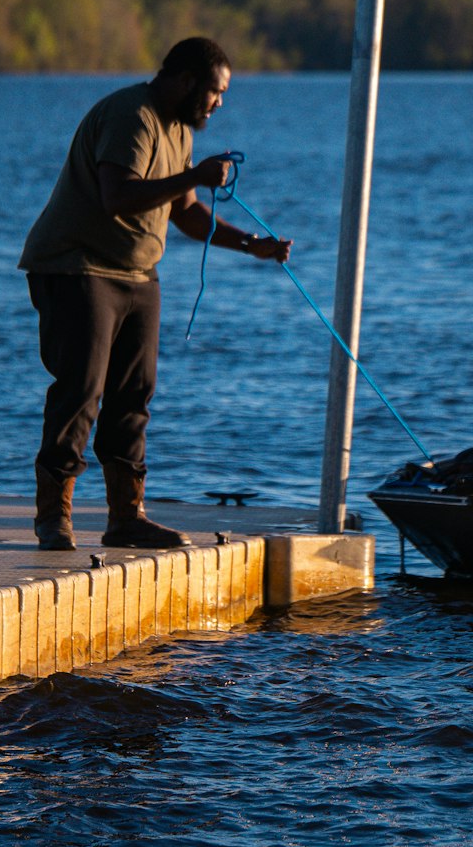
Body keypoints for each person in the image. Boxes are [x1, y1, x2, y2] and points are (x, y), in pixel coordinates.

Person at [19, 37, 292, 551]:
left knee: (132, 396)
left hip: (139, 274)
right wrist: (194, 173)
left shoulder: (178, 129)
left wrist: (252, 246)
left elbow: (185, 212)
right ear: (187, 80)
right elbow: (116, 196)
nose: (219, 102)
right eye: (216, 91)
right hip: (78, 267)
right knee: (81, 389)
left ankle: (126, 517)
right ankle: (53, 515)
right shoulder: (133, 116)